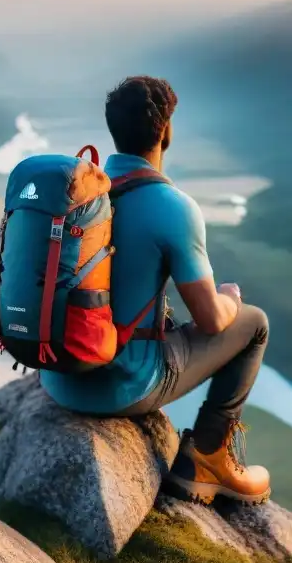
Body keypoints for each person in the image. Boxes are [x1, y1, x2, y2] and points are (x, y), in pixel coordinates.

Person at [40, 75, 272, 505]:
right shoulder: (173, 207)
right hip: (121, 387)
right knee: (254, 323)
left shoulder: (79, 194)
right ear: (165, 131)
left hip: (59, 379)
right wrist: (230, 299)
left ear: (113, 129)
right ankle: (208, 457)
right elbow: (211, 320)